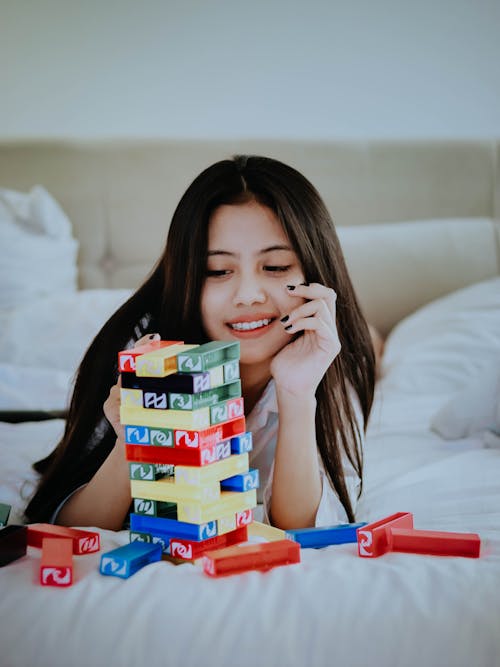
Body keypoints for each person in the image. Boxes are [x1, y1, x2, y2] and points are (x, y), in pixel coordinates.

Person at [25, 155, 377, 531]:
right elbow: (70, 525)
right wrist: (138, 441)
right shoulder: (140, 347)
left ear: (313, 270)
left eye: (275, 267)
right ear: (187, 278)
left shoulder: (329, 355)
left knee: (372, 343)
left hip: (340, 348)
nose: (247, 295)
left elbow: (300, 529)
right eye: (217, 271)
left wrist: (297, 393)